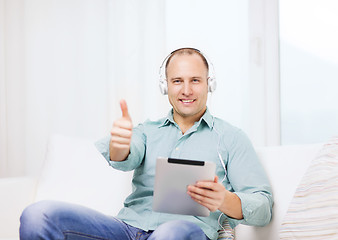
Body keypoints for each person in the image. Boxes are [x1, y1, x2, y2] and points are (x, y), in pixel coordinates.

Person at [20, 48, 273, 240]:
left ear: (210, 83)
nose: (186, 90)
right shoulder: (147, 131)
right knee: (37, 215)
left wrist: (226, 201)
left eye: (195, 80)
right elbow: (125, 153)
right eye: (177, 81)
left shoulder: (231, 137)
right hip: (128, 229)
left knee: (169, 233)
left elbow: (263, 205)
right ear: (165, 86)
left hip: (186, 231)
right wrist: (120, 144)